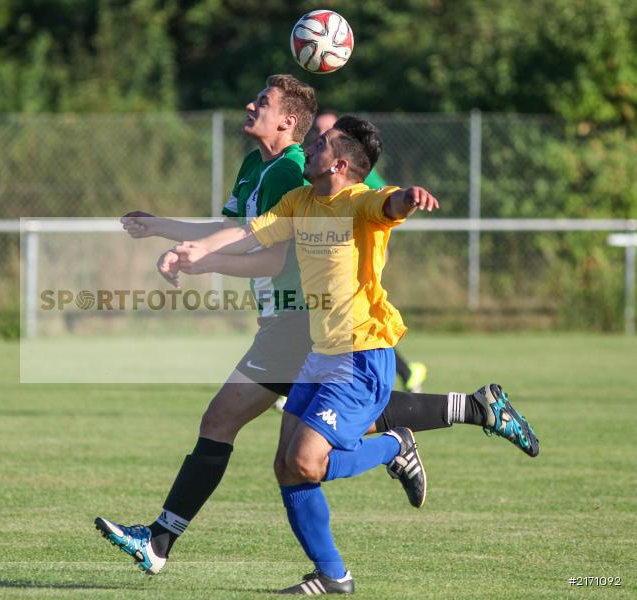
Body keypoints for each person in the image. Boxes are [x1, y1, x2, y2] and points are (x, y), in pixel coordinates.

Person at [95, 76, 538, 577]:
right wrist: (175, 236)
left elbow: (335, 225)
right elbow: (244, 231)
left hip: (301, 325)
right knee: (299, 452)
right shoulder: (276, 180)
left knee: (274, 442)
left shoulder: (299, 176)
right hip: (306, 335)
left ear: (294, 125)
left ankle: (161, 541)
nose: (251, 105)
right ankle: (469, 413)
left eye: (262, 102)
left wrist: (407, 199)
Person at [169, 118, 437, 593]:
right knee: (286, 467)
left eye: (318, 145)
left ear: (338, 163)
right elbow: (250, 233)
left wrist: (408, 197)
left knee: (308, 461)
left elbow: (389, 202)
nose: (308, 149)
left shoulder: (358, 202)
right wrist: (195, 250)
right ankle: (333, 576)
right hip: (319, 354)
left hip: (363, 353)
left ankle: (396, 446)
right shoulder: (300, 201)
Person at [307, 110, 428, 393]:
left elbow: (381, 202)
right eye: (317, 130)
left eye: (326, 130)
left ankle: (412, 378)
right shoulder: (313, 175)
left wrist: (405, 200)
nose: (317, 134)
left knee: (358, 318)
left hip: (358, 257)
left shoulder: (359, 181)